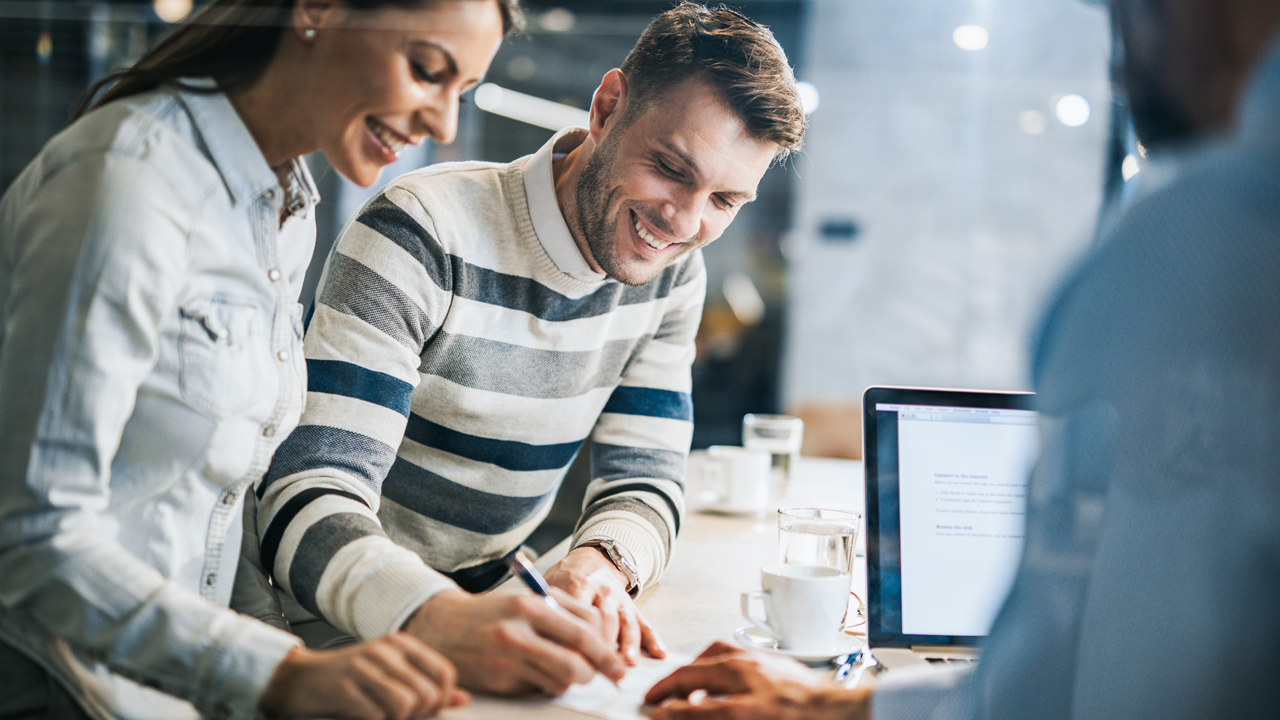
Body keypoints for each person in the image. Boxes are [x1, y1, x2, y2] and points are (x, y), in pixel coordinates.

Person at [643, 0, 1280, 718]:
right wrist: (836, 705)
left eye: (1138, 12)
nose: (1122, 49)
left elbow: (1083, 671)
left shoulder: (1204, 238)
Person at [253, 0, 807, 698]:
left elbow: (647, 477)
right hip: (335, 645)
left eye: (725, 201)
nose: (685, 221)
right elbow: (306, 492)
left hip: (492, 624)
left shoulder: (672, 274)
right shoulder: (423, 231)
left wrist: (599, 566)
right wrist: (441, 617)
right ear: (607, 108)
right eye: (671, 168)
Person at [0, 0, 518, 717]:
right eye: (427, 70)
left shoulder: (287, 204)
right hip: (59, 684)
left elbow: (221, 504)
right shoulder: (128, 179)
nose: (444, 125)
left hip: (173, 692)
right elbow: (30, 537)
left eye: (460, 92)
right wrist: (277, 673)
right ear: (318, 10)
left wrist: (289, 662)